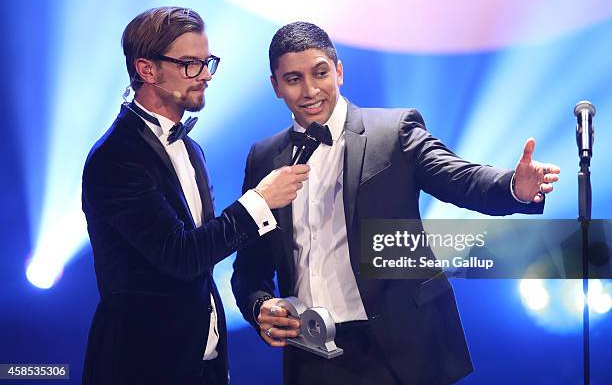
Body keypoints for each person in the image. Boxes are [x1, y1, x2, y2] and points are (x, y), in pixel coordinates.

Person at [231, 22, 560, 384]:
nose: (310, 90)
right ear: (275, 86)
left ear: (339, 71)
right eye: (293, 79)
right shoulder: (263, 158)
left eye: (320, 73)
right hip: (312, 354)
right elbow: (251, 263)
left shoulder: (393, 132)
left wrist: (513, 185)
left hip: (400, 350)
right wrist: (260, 304)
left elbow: (460, 178)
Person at [81, 7, 308, 385]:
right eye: (190, 64)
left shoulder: (191, 149)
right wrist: (259, 201)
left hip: (203, 366)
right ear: (147, 70)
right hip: (140, 367)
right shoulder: (116, 157)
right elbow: (181, 256)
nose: (205, 75)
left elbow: (204, 255)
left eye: (207, 63)